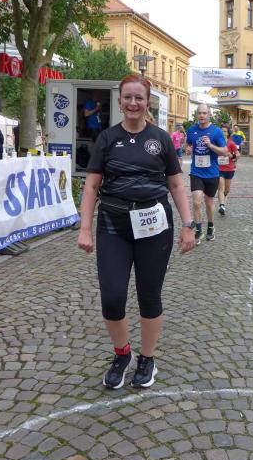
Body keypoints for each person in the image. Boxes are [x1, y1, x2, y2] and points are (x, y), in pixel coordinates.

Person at [77, 74, 195, 390]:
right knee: (112, 297)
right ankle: (122, 354)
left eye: (139, 98)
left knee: (149, 294)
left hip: (154, 227)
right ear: (119, 101)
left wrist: (188, 225)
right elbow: (91, 187)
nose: (133, 103)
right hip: (113, 226)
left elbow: (175, 185)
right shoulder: (107, 139)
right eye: (127, 97)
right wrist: (85, 228)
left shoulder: (161, 139)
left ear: (147, 102)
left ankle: (147, 358)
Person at [186, 104, 228, 244]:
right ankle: (198, 230)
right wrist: (188, 149)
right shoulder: (191, 130)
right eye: (199, 113)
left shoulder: (216, 132)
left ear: (209, 115)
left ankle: (211, 227)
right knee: (196, 202)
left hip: (212, 173)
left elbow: (224, 151)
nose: (202, 115)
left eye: (204, 113)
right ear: (197, 114)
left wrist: (210, 145)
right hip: (196, 172)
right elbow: (188, 145)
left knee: (209, 202)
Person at [217, 129, 239, 216]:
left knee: (227, 190)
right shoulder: (216, 143)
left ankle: (223, 201)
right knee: (221, 188)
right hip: (218, 169)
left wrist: (233, 156)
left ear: (228, 133)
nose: (223, 133)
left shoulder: (231, 143)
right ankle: (221, 206)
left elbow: (238, 154)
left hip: (229, 169)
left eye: (225, 131)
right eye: (222, 131)